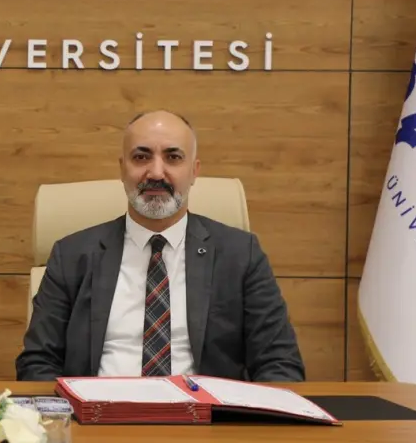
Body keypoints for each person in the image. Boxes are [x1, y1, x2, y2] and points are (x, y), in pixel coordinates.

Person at [16, 110, 304, 383]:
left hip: (207, 415)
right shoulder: (72, 256)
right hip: (97, 414)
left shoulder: (241, 254)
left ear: (194, 171)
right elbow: (39, 362)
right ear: (122, 169)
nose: (156, 172)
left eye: (173, 157)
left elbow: (279, 363)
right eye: (141, 157)